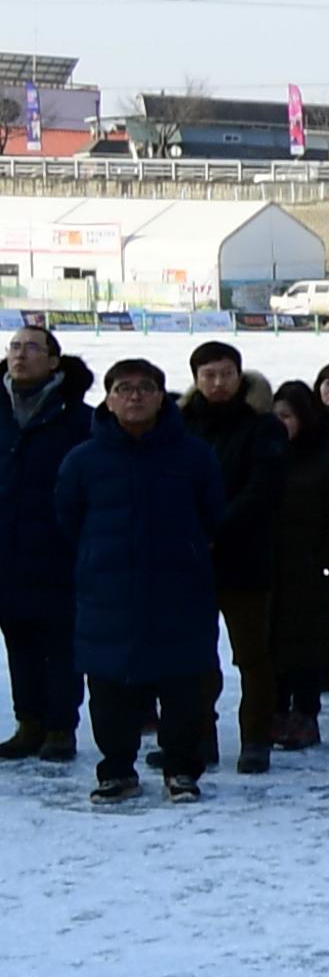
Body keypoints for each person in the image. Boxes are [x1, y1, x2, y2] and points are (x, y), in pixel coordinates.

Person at [53, 358, 226, 801]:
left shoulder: (193, 454)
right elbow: (67, 519)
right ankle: (117, 769)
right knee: (109, 687)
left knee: (184, 686)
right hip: (107, 591)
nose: (134, 396)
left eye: (145, 388)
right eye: (124, 388)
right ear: (108, 399)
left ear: (160, 396)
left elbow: (212, 514)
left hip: (179, 589)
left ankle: (181, 769)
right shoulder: (83, 459)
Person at [180, 343, 285, 775]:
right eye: (209, 375)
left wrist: (214, 531)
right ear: (196, 378)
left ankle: (257, 738)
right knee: (194, 655)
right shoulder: (179, 423)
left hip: (245, 557)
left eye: (226, 374)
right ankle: (199, 736)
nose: (218, 383)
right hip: (191, 560)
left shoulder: (263, 426)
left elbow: (262, 489)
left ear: (239, 376)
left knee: (253, 655)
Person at [0, 326, 94, 760]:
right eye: (14, 347)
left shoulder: (77, 417)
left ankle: (61, 727)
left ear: (54, 361)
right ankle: (29, 722)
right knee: (18, 641)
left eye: (32, 348)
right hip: (6, 551)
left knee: (60, 643)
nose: (20, 355)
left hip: (59, 550)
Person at [265, 380, 329, 750]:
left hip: (310, 569)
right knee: (269, 646)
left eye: (288, 416)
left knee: (305, 647)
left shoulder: (325, 464)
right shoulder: (265, 459)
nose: (281, 423)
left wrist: (325, 564)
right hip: (269, 567)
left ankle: (304, 714)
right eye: (276, 417)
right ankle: (273, 712)